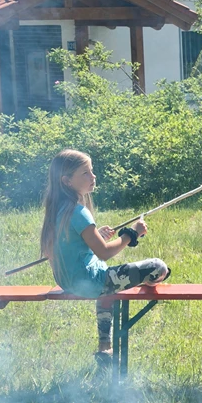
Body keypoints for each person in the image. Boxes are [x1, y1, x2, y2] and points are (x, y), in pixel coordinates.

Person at [40, 149, 170, 368]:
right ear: (67, 181)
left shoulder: (57, 209)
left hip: (70, 282)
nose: (93, 177)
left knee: (108, 281)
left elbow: (60, 249)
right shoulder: (78, 211)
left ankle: (104, 347)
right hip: (91, 283)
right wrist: (131, 234)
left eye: (91, 171)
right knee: (159, 267)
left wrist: (95, 235)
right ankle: (149, 280)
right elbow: (104, 253)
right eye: (85, 173)